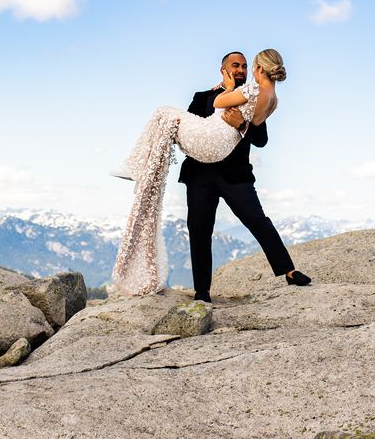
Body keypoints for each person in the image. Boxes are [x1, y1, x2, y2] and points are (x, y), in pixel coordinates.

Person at [110, 49, 311, 298]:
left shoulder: (252, 97)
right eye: (235, 65)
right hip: (200, 174)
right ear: (224, 69)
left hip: (235, 176)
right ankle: (202, 291)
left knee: (258, 220)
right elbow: (189, 130)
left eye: (245, 66)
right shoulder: (203, 97)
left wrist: (241, 124)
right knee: (199, 229)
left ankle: (289, 271)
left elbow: (261, 139)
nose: (240, 70)